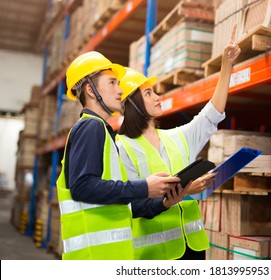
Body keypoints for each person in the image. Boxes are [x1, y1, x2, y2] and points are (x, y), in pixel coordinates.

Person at [116, 25, 241, 260]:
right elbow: (131, 206)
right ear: (132, 104)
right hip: (156, 255)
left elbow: (212, 114)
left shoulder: (177, 137)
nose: (158, 97)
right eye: (149, 93)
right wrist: (180, 194)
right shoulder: (123, 148)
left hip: (193, 248)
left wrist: (226, 65)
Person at [56, 51, 187, 260]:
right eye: (113, 83)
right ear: (91, 90)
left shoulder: (103, 132)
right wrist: (144, 186)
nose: (120, 90)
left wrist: (163, 202)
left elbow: (121, 204)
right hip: (93, 258)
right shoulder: (91, 127)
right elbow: (82, 187)